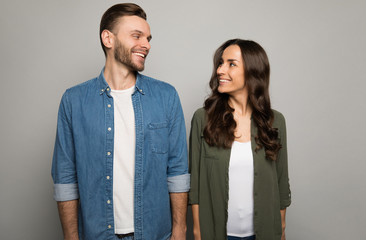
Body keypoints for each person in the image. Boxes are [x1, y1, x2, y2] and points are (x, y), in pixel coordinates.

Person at [51, 3, 189, 240]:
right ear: (108, 38)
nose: (146, 45)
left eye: (148, 38)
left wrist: (179, 230)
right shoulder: (73, 101)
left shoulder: (166, 97)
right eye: (137, 36)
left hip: (156, 234)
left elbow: (177, 172)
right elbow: (65, 179)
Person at [189, 39, 291, 240]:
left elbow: (281, 182)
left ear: (253, 71)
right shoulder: (203, 118)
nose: (220, 70)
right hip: (217, 233)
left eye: (231, 64)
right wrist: (198, 231)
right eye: (220, 63)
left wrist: (281, 228)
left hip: (264, 233)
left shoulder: (275, 121)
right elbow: (195, 184)